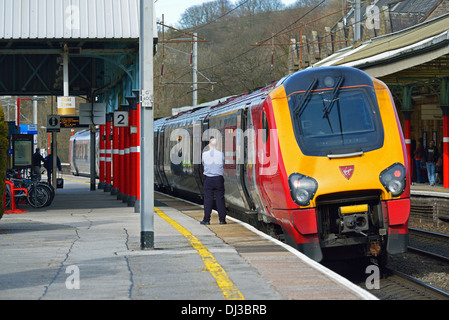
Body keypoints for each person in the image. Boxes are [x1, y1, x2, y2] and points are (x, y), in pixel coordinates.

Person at [200, 136, 227, 225]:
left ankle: (206, 220)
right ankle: (222, 220)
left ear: (209, 145)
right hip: (218, 179)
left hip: (208, 179)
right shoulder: (221, 154)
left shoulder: (204, 154)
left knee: (208, 200)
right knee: (220, 199)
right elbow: (223, 163)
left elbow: (203, 164)